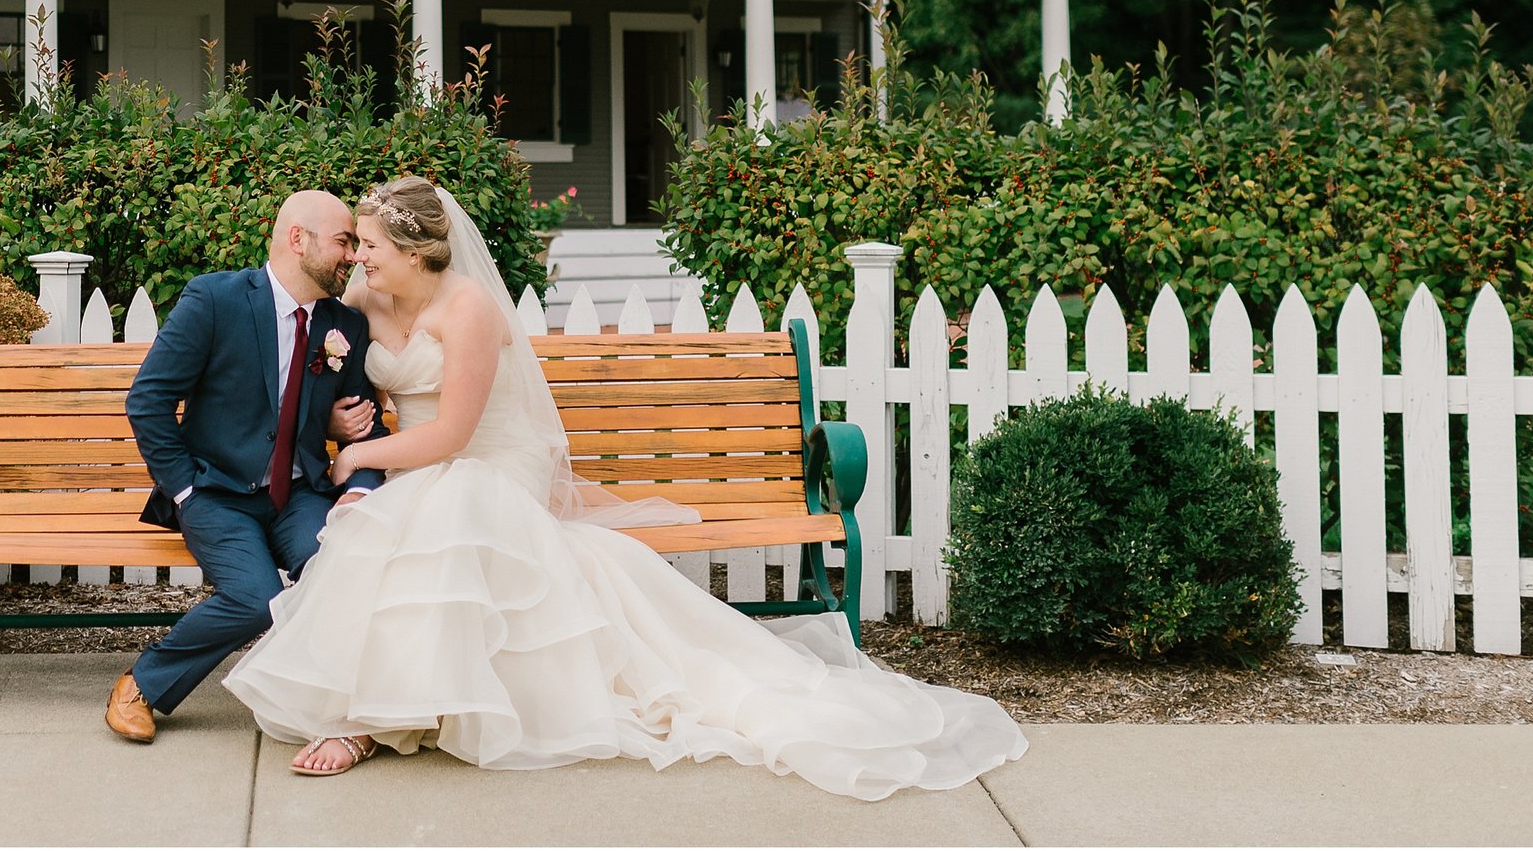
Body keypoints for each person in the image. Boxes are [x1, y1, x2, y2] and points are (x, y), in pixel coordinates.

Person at [223, 176, 1031, 798]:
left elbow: (459, 435)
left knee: (439, 509)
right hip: (418, 457)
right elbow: (332, 384)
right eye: (357, 246)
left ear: (415, 251)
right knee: (390, 526)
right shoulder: (361, 298)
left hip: (486, 458)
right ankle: (383, 707)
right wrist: (351, 430)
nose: (356, 258)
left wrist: (363, 461)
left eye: (368, 246)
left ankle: (376, 719)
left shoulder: (467, 308)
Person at [104, 190, 385, 743]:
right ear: (296, 239)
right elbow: (148, 401)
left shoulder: (343, 327)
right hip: (216, 492)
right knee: (257, 600)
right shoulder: (216, 299)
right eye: (343, 242)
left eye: (355, 244)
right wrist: (184, 490)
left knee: (343, 568)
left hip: (301, 494)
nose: (352, 256)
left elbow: (367, 425)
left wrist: (362, 492)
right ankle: (142, 683)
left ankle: (347, 710)